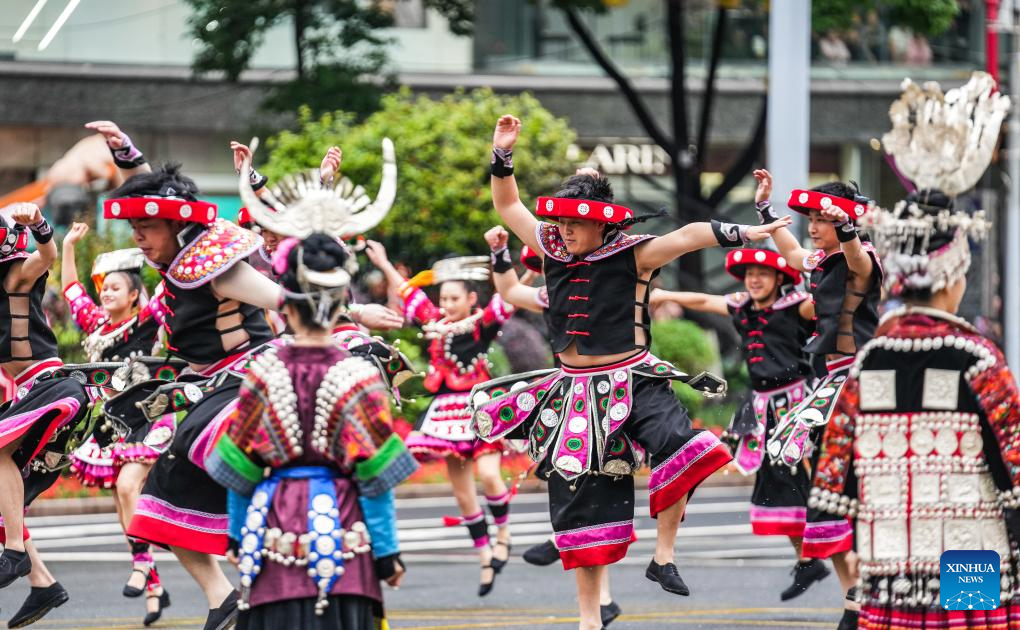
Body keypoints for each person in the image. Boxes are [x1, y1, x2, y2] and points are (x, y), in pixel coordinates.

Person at [475, 114, 788, 630]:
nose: (565, 229)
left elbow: (688, 235)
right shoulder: (552, 248)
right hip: (573, 393)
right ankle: (588, 620)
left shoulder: (633, 254)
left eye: (576, 222)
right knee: (580, 508)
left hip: (634, 378)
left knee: (690, 451)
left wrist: (743, 231)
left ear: (603, 222)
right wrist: (502, 155)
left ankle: (663, 556)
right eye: (562, 221)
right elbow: (508, 204)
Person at [803, 71, 1012, 630]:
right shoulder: (978, 359)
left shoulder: (870, 362)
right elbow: (1012, 461)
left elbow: (832, 475)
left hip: (892, 557)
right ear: (952, 276)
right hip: (969, 549)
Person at [206, 231, 417, 629]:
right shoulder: (360, 375)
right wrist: (387, 553)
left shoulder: (261, 372)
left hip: (273, 538)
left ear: (285, 303)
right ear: (341, 302)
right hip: (343, 536)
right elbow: (374, 476)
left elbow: (240, 470)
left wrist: (236, 537)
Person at [651, 248, 831, 600]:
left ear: (780, 278)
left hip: (797, 405)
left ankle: (834, 564)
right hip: (762, 406)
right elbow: (703, 300)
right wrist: (663, 294)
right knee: (777, 483)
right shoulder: (741, 305)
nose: (754, 279)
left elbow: (829, 303)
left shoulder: (797, 305)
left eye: (762, 274)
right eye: (749, 273)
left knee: (810, 484)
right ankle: (808, 560)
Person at [753, 167, 881, 625]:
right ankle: (852, 596)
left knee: (853, 488)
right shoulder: (822, 261)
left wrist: (845, 226)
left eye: (819, 220)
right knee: (823, 487)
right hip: (828, 383)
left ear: (841, 222)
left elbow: (860, 263)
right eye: (810, 219)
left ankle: (867, 594)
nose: (811, 227)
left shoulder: (859, 256)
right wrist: (765, 209)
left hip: (861, 383)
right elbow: (791, 252)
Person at [485, 224, 623, 628]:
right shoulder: (551, 293)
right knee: (569, 478)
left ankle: (576, 559)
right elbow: (510, 291)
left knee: (591, 490)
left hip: (612, 394)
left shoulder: (605, 280)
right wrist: (499, 253)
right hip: (571, 395)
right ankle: (600, 602)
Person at [365, 241, 516, 597]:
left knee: (492, 476)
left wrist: (509, 259)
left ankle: (505, 536)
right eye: (443, 299)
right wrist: (385, 262)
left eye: (453, 299)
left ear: (471, 300)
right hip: (445, 414)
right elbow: (408, 293)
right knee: (463, 494)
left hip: (479, 408)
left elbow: (509, 296)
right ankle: (483, 558)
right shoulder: (434, 322)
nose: (445, 304)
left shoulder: (483, 324)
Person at [61, 229, 172, 625]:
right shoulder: (97, 326)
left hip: (149, 416)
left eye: (115, 288)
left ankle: (143, 566)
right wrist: (69, 247)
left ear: (132, 296)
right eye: (104, 288)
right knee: (121, 508)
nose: (105, 294)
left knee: (128, 488)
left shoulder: (146, 321)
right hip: (113, 426)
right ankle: (155, 587)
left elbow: (170, 281)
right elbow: (72, 289)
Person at [0, 202, 89, 625]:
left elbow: (47, 256)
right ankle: (43, 584)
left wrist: (38, 223)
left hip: (48, 386)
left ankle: (15, 551)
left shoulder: (17, 276)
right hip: (24, 396)